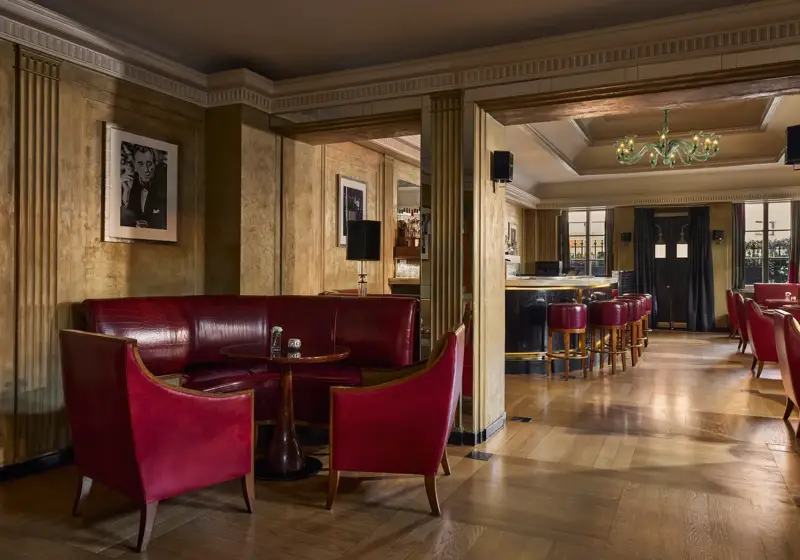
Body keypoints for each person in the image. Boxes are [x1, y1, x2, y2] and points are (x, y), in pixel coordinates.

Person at [120, 145, 167, 229]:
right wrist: (126, 195)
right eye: (140, 164)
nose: (146, 169)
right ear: (135, 165)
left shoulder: (164, 185)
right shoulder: (128, 183)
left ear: (155, 164)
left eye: (149, 164)